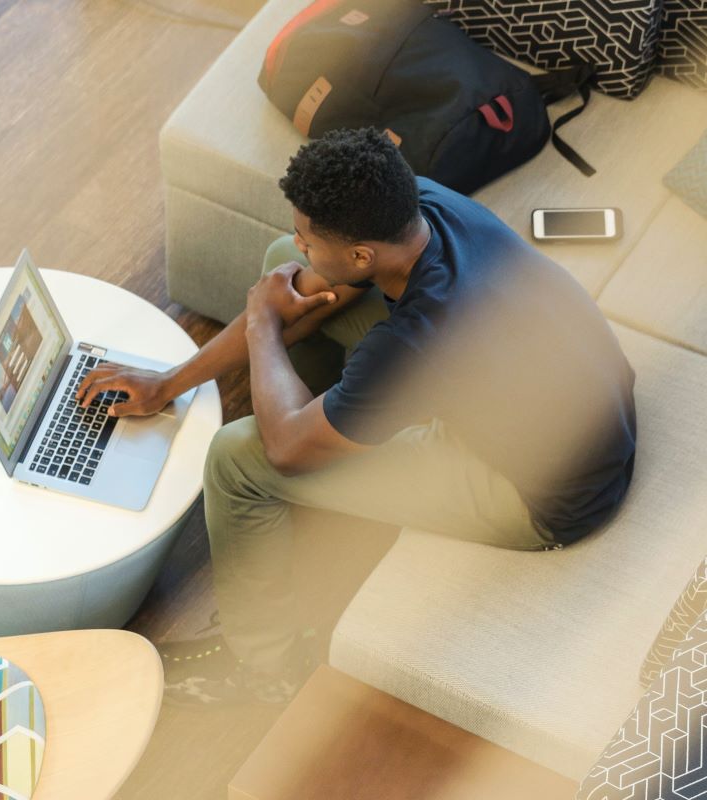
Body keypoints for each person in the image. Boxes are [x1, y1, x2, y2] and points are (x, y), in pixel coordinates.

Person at [76, 127, 637, 707]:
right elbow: (304, 282)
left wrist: (261, 324)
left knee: (237, 457)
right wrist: (169, 383)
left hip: (541, 494)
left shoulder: (420, 335)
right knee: (279, 268)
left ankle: (264, 667)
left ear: (363, 255)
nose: (300, 244)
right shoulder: (420, 206)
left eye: (309, 237)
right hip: (577, 407)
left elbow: (284, 448)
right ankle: (331, 432)